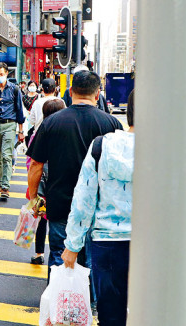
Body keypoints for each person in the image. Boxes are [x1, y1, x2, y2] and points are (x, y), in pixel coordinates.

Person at [27, 70, 123, 270]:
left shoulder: (51, 122)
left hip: (60, 202)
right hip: (98, 205)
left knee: (58, 258)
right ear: (97, 94)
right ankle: (89, 301)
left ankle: (59, 300)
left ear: (70, 92)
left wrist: (34, 196)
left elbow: (36, 164)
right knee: (92, 262)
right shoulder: (111, 123)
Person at [61, 91, 134, 326]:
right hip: (155, 246)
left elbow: (83, 199)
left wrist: (72, 245)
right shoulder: (168, 151)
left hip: (108, 242)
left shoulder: (102, 146)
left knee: (111, 314)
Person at [29, 98, 66, 265]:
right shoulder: (66, 131)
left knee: (41, 219)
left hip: (41, 185)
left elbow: (33, 163)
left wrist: (33, 193)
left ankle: (38, 253)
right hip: (61, 186)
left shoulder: (39, 133)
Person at [0, 62, 25, 199]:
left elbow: (19, 110)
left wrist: (21, 131)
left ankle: (5, 186)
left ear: (6, 74)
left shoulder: (15, 89)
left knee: (6, 155)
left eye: (1, 74)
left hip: (10, 125)